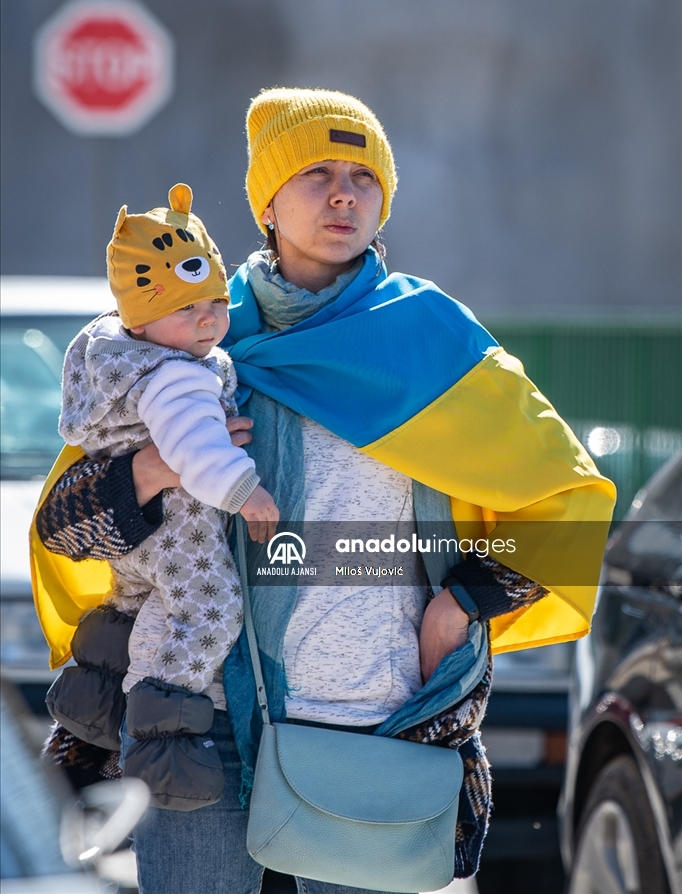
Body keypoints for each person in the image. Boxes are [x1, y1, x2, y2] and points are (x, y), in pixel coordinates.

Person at [33, 88, 616, 894]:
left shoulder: (430, 338)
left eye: (364, 176)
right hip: (197, 718)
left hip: (371, 716)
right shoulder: (187, 330)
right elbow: (62, 527)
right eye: (316, 174)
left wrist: (463, 603)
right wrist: (149, 473)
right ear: (267, 202)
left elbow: (572, 499)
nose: (345, 193)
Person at [45, 182, 279, 810]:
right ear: (143, 320)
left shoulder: (114, 354)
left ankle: (93, 703)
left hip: (141, 542)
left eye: (217, 303)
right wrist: (245, 491)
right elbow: (195, 454)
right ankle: (160, 735)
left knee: (133, 600)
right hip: (185, 535)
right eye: (188, 309)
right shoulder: (178, 374)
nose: (209, 320)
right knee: (206, 607)